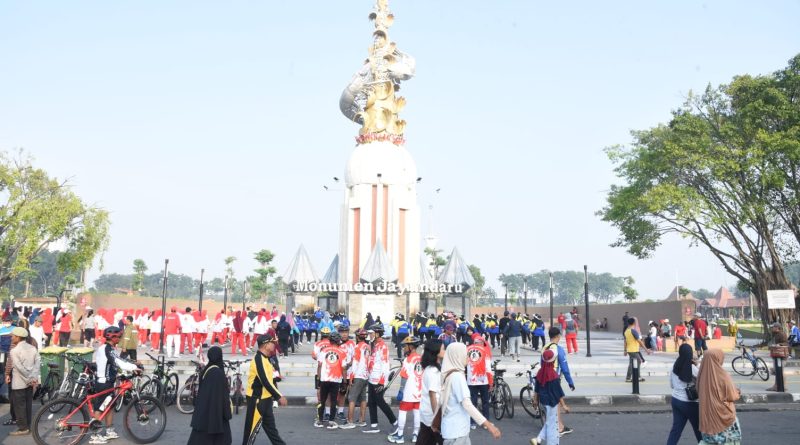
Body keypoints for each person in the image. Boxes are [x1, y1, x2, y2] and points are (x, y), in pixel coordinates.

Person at [439, 342, 501, 444]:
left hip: (453, 430)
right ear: (457, 356)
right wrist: (489, 425)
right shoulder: (457, 377)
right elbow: (467, 404)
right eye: (465, 354)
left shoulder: (449, 373)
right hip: (457, 432)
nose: (468, 357)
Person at [90, 326, 140, 444]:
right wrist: (134, 367)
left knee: (110, 406)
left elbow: (112, 363)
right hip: (104, 383)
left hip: (108, 382)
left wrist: (122, 372)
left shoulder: (108, 348)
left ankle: (109, 430)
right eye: (118, 337)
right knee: (100, 408)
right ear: (113, 337)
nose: (120, 339)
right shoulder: (107, 348)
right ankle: (95, 435)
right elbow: (118, 361)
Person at [243, 334, 288, 445]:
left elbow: (270, 376)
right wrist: (279, 396)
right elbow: (265, 381)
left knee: (271, 429)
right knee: (251, 431)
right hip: (257, 399)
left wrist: (277, 376)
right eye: (272, 343)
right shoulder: (258, 359)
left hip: (266, 398)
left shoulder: (266, 358)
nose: (274, 344)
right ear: (265, 345)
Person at [187, 346, 231, 445]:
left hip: (203, 412)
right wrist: (227, 412)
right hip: (216, 413)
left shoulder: (206, 370)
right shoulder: (219, 373)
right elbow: (223, 396)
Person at [697, 349, 741, 444]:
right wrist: (737, 392)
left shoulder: (701, 375)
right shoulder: (723, 375)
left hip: (707, 418)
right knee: (729, 441)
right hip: (723, 417)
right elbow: (732, 396)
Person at [529, 349, 569, 445]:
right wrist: (564, 405)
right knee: (552, 425)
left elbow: (537, 389)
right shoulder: (553, 375)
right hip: (552, 403)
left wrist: (535, 400)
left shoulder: (540, 372)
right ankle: (551, 443)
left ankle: (538, 439)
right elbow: (558, 393)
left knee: (550, 421)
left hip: (543, 401)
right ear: (553, 361)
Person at [388, 336, 423, 443]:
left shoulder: (408, 360)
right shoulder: (421, 358)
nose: (403, 348)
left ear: (411, 347)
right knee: (417, 412)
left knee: (403, 411)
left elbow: (404, 377)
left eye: (405, 346)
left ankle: (400, 435)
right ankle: (415, 435)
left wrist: (401, 390)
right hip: (419, 391)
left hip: (408, 390)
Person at [363, 323, 396, 434]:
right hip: (371, 378)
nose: (370, 336)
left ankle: (395, 422)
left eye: (371, 334)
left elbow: (385, 365)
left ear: (377, 334)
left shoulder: (382, 346)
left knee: (380, 402)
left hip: (378, 380)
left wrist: (382, 382)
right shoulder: (373, 345)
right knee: (371, 402)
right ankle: (374, 426)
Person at [542, 327, 576, 437]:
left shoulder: (544, 348)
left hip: (544, 377)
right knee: (556, 404)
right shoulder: (558, 349)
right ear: (558, 336)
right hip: (554, 378)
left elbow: (541, 365)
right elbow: (565, 368)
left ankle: (559, 425)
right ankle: (559, 428)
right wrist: (570, 382)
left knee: (552, 403)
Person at [666, 344, 701, 445]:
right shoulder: (692, 368)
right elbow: (703, 377)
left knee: (676, 429)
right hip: (689, 403)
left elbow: (672, 385)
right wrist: (697, 364)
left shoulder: (675, 366)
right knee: (699, 429)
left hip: (676, 400)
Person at [7, 327, 39, 436]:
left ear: (18, 337)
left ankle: (23, 428)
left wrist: (29, 379)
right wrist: (33, 378)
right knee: (27, 405)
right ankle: (27, 426)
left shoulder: (14, 351)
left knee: (19, 406)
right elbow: (37, 363)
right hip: (30, 383)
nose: (11, 338)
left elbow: (19, 368)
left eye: (13, 336)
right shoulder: (32, 348)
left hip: (19, 383)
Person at [315, 331, 349, 429]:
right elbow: (344, 368)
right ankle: (331, 421)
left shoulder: (324, 350)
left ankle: (320, 421)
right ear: (338, 341)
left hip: (324, 379)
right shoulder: (342, 352)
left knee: (323, 400)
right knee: (334, 401)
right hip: (336, 379)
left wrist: (318, 378)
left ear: (330, 340)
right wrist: (345, 381)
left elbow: (319, 366)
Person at [416, 339, 444, 445]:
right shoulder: (433, 371)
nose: (445, 351)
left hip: (428, 414)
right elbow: (433, 396)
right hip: (431, 416)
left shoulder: (432, 368)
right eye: (443, 349)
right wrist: (437, 419)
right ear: (435, 351)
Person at [466, 334, 492, 430]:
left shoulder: (467, 349)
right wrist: (491, 381)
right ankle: (486, 422)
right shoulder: (485, 350)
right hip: (483, 380)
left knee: (473, 402)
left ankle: (472, 422)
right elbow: (488, 368)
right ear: (481, 342)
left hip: (471, 380)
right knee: (485, 402)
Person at [624, 317, 651, 383]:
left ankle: (631, 377)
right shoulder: (633, 331)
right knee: (638, 361)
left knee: (632, 363)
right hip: (634, 350)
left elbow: (625, 342)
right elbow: (640, 341)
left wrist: (625, 350)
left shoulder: (626, 331)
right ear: (634, 323)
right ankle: (636, 377)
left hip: (630, 350)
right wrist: (646, 350)